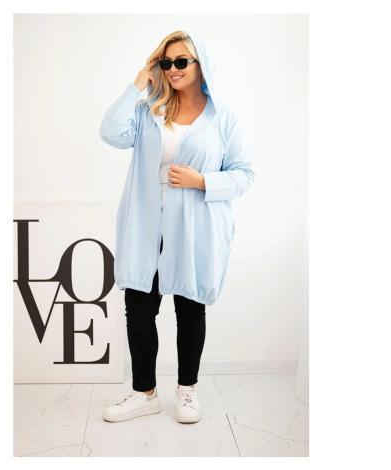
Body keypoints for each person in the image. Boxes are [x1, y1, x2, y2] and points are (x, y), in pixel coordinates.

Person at [99, 30, 255, 424]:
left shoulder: (222, 117)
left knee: (189, 307)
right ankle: (144, 393)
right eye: (166, 62)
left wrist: (202, 181)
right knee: (138, 308)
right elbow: (110, 132)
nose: (172, 69)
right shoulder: (148, 111)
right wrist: (138, 84)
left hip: (193, 227)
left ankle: (187, 391)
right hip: (145, 224)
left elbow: (244, 174)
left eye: (181, 61)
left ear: (201, 65)